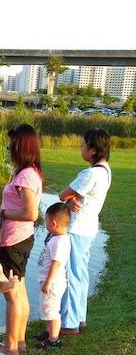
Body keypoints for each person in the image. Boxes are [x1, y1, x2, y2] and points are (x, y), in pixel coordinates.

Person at [0, 124, 43, 355]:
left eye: (12, 143)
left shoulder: (26, 176)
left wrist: (2, 214)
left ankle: (10, 349)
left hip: (14, 241)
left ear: (21, 146)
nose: (8, 147)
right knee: (19, 292)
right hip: (19, 240)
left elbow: (31, 213)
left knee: (12, 294)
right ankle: (18, 340)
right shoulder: (29, 172)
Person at [58, 129, 112, 335]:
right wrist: (72, 199)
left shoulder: (89, 174)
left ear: (93, 150)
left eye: (83, 145)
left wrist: (69, 198)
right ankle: (79, 317)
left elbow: (63, 194)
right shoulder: (105, 170)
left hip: (77, 228)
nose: (81, 148)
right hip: (88, 228)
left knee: (71, 274)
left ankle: (70, 322)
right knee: (80, 273)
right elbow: (73, 197)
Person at [35, 202, 71, 348]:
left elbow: (56, 263)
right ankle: (48, 331)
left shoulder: (59, 242)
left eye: (46, 222)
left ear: (54, 223)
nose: (45, 224)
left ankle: (54, 339)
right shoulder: (57, 238)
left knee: (52, 311)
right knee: (48, 308)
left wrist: (48, 281)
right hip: (50, 281)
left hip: (53, 283)